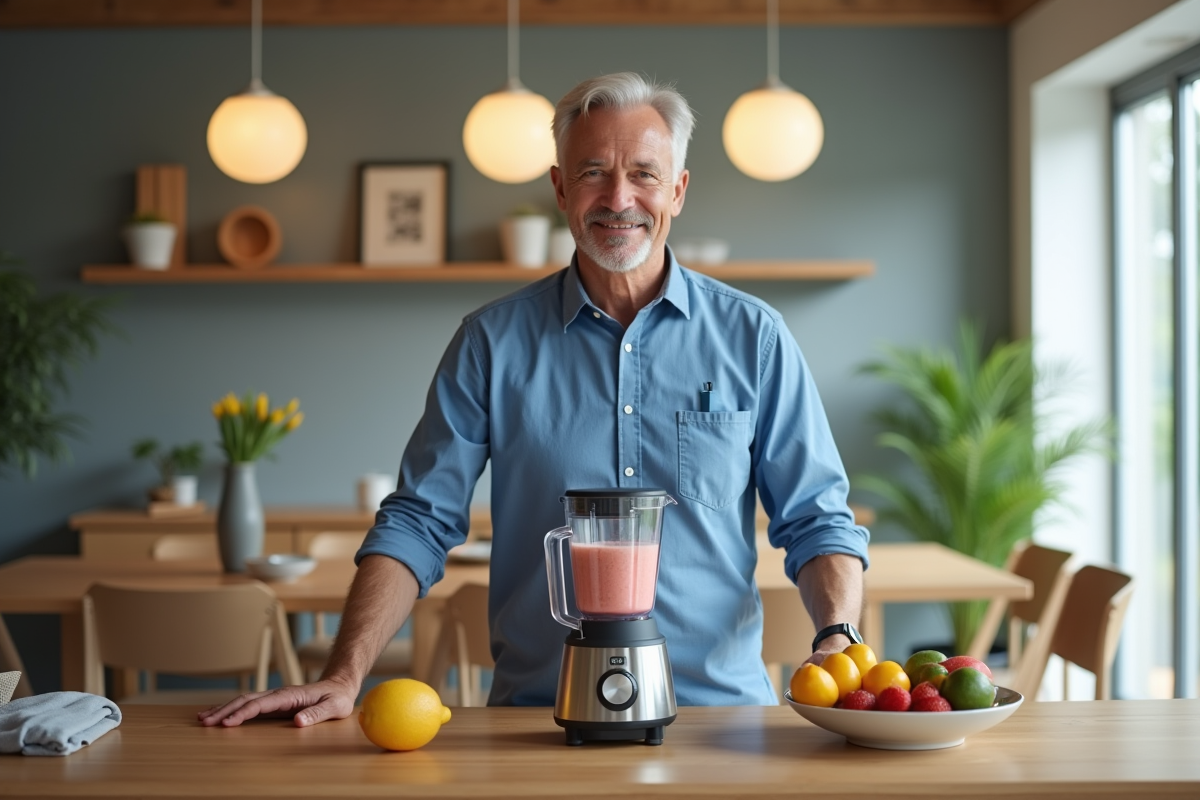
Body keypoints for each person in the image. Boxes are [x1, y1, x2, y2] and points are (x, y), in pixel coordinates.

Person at [201, 72, 868, 728]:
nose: (618, 198)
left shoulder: (755, 338)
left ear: (678, 190)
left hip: (718, 722)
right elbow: (418, 521)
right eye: (593, 173)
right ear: (560, 188)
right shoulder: (490, 342)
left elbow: (817, 519)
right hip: (539, 724)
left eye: (643, 173)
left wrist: (837, 633)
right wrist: (345, 675)